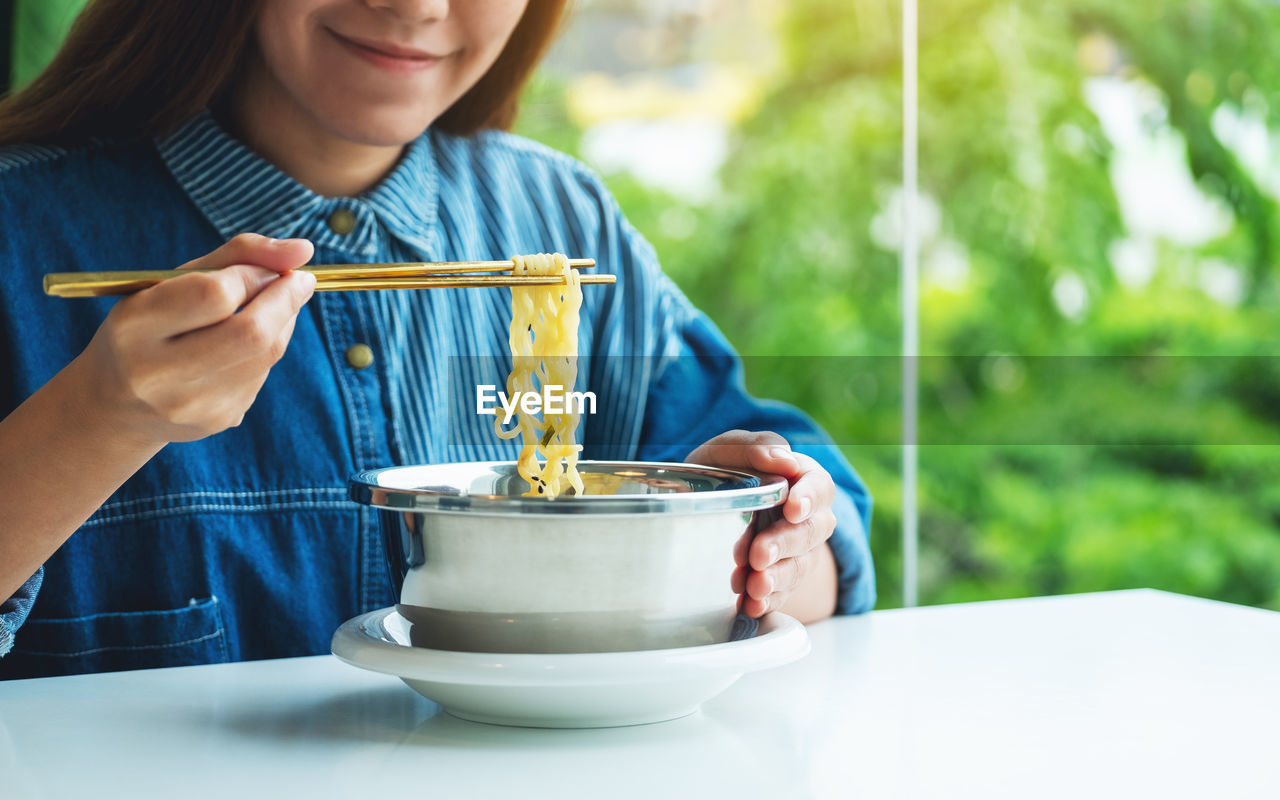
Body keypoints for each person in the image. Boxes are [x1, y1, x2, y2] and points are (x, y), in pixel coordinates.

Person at [0, 0, 874, 680]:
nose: (415, 6)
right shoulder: (20, 228)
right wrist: (99, 420)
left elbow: (826, 566)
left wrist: (764, 537)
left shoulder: (561, 220)